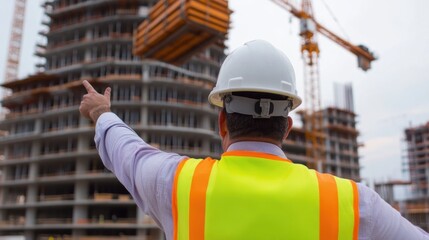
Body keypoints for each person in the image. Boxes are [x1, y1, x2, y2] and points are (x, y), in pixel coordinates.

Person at [79, 40, 428, 240]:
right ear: (287, 127)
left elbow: (128, 153)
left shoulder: (179, 184)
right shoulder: (352, 202)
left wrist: (102, 113)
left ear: (222, 121)